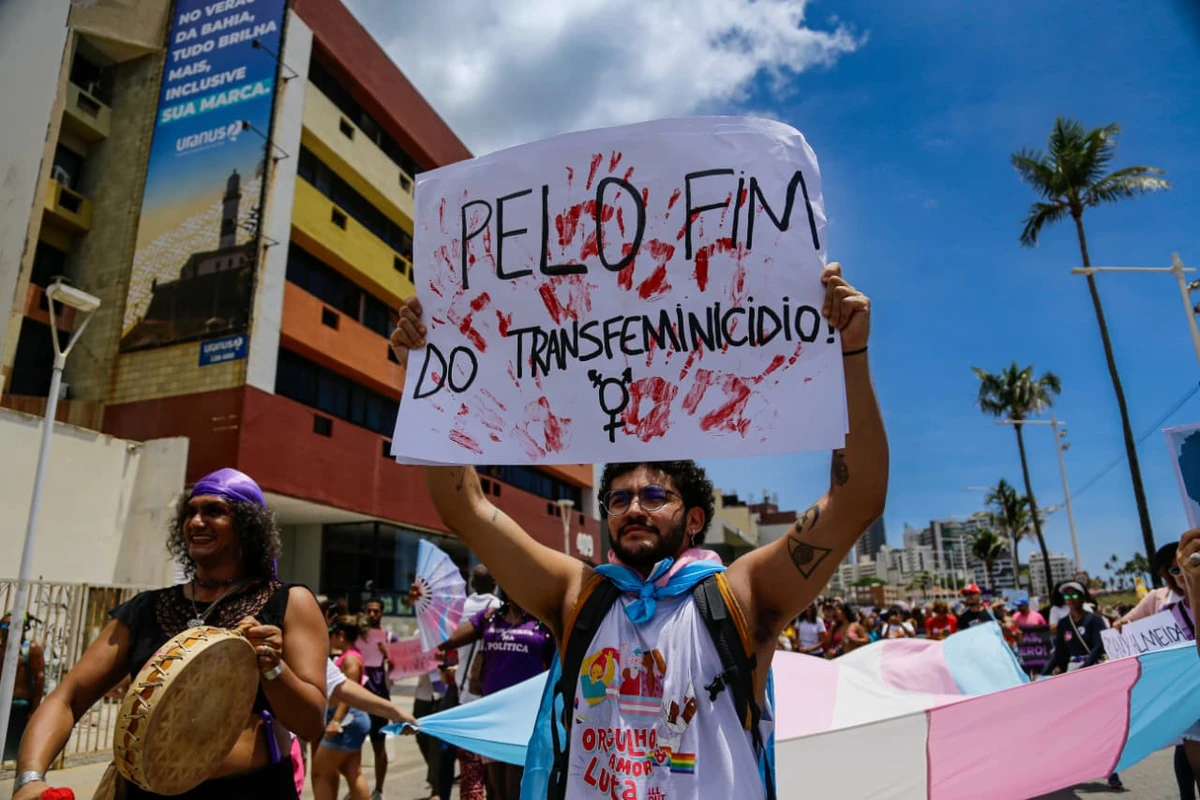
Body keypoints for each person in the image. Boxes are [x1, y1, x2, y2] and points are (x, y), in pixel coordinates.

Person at [389, 261, 886, 798]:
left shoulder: (739, 599)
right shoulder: (578, 596)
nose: (632, 509)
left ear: (694, 519)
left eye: (654, 496)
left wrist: (851, 357)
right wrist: (426, 378)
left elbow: (855, 500)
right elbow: (464, 507)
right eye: (619, 499)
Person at [11, 468, 327, 800]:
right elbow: (68, 697)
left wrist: (273, 668)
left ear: (249, 525)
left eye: (214, 511)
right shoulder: (145, 608)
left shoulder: (289, 602)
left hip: (251, 790)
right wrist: (30, 778)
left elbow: (310, 724)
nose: (196, 521)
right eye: (190, 512)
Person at [438, 591, 556, 799]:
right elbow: (446, 641)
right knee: (495, 786)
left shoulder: (542, 621)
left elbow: (557, 665)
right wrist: (427, 609)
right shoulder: (490, 617)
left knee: (514, 785)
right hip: (493, 714)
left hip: (525, 716)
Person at [313, 616, 372, 800]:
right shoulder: (349, 656)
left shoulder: (351, 659)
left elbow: (348, 695)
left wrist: (335, 721)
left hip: (347, 720)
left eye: (331, 634)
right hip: (350, 719)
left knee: (319, 771)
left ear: (341, 635)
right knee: (353, 773)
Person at [356, 598, 398, 800]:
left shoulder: (390, 638)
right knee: (352, 744)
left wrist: (387, 655)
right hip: (358, 697)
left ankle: (378, 789)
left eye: (376, 611)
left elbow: (399, 670)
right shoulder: (357, 636)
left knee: (378, 745)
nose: (372, 614)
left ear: (382, 613)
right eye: (369, 611)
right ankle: (356, 787)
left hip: (380, 697)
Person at [0, 613, 44, 763]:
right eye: (4, 625)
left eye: (12, 625)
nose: (7, 629)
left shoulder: (30, 649)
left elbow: (39, 678)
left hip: (19, 707)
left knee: (18, 749)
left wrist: (34, 709)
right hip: (1, 705)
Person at [1114, 542, 1186, 630]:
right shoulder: (1156, 598)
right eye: (1176, 570)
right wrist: (1123, 626)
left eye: (1187, 567)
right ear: (1168, 574)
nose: (1183, 574)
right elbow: (1123, 622)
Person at [1039, 581, 1103, 676]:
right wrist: (1044, 674)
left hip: (1095, 666)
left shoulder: (1094, 620)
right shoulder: (1063, 623)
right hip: (1074, 667)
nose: (1071, 600)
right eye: (1067, 597)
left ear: (1082, 598)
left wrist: (1085, 667)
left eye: (1075, 596)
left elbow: (1099, 647)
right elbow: (1060, 651)